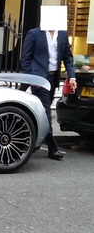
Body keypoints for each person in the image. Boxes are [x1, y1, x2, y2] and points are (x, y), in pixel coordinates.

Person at [21, 27, 77, 160]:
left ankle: (35, 141)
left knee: (42, 112)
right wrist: (31, 78)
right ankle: (53, 149)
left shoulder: (62, 34)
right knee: (46, 113)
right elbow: (26, 58)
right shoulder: (34, 33)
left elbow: (67, 57)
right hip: (39, 80)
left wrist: (72, 77)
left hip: (53, 79)